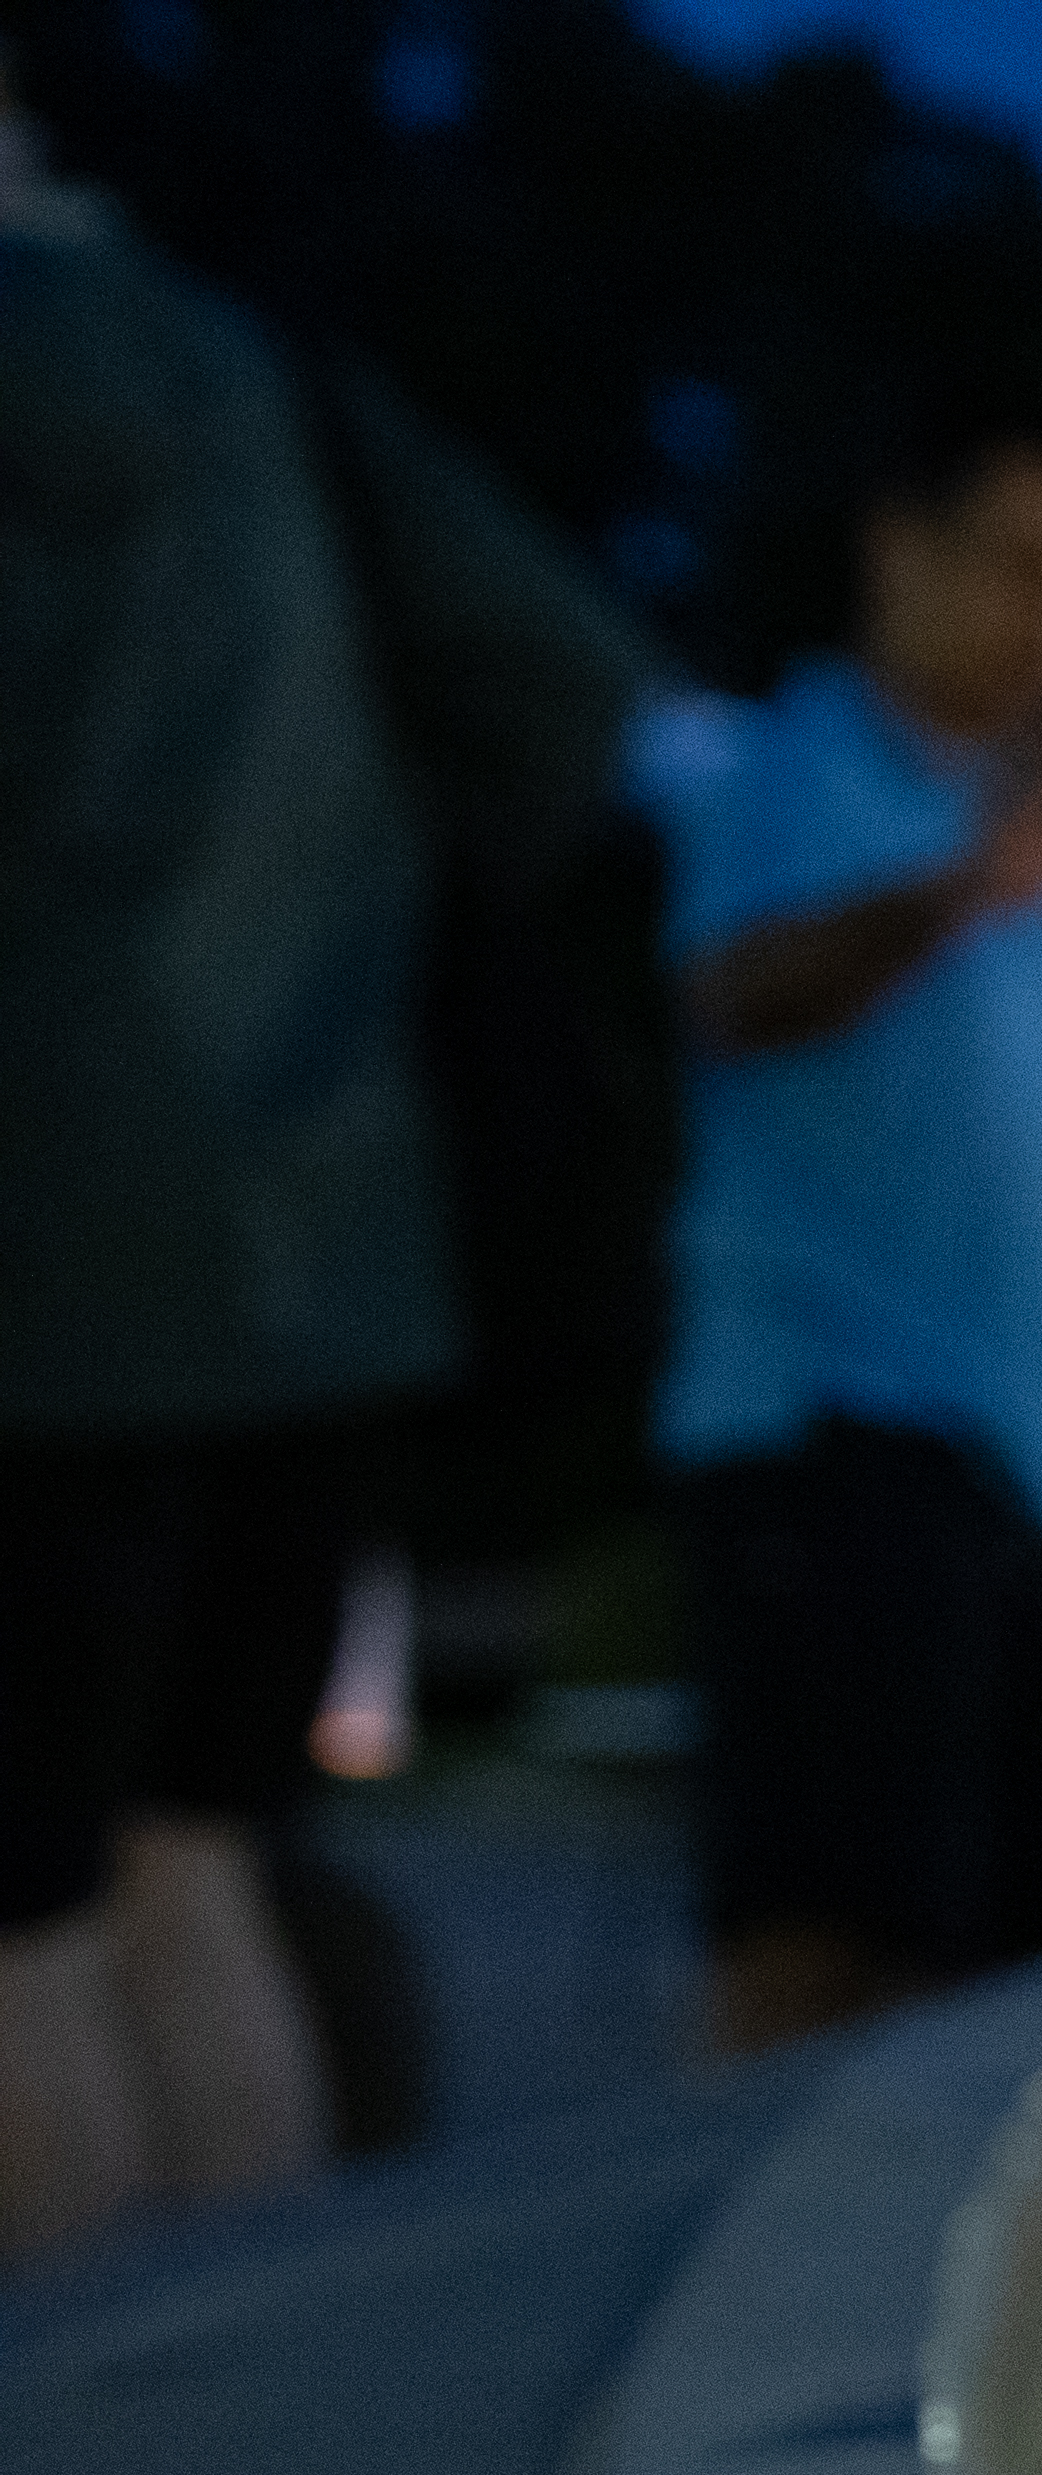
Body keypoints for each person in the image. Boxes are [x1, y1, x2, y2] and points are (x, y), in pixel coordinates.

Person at [0, 85, 649, 2253]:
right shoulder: (267, 377)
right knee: (198, 1859)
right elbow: (567, 686)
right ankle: (227, 2443)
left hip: (38, 1274)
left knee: (25, 1917)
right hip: (324, 1243)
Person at [642, 384, 1042, 2049]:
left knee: (1041, 1961)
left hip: (1038, 1475)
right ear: (899, 552)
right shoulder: (792, 767)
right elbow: (738, 989)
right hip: (843, 1430)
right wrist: (962, 886)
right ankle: (774, 2306)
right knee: (832, 1939)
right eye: (1019, 567)